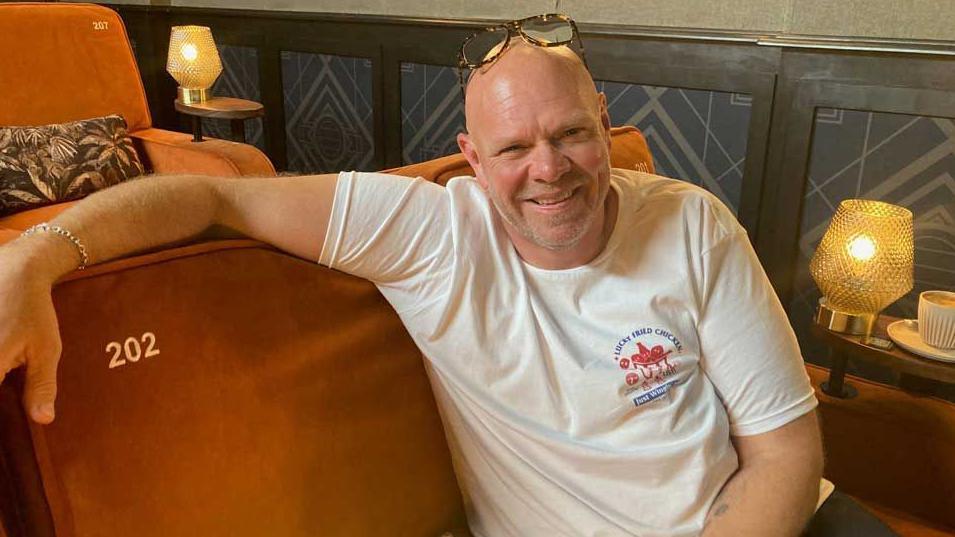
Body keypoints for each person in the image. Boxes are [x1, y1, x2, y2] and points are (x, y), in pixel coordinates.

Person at [0, 14, 895, 537]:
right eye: (512, 147)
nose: (549, 169)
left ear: (602, 119)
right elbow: (207, 202)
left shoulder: (691, 220)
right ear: (469, 158)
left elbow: (783, 451)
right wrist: (34, 253)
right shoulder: (429, 233)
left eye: (571, 134)